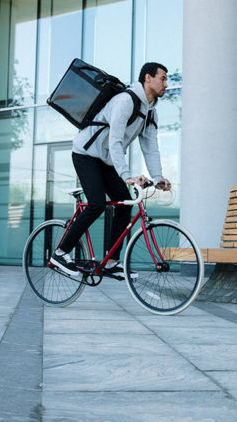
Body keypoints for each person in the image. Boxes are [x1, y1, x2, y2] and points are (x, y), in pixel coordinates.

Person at [50, 62, 172, 278]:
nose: (166, 83)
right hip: (86, 154)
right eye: (162, 78)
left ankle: (111, 262)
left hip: (106, 161)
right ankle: (60, 253)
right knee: (96, 203)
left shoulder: (151, 113)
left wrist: (158, 177)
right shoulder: (125, 101)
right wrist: (127, 176)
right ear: (147, 78)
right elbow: (115, 141)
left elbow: (151, 148)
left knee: (125, 205)